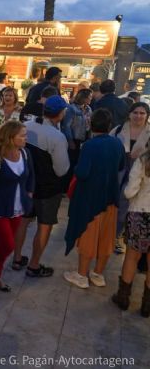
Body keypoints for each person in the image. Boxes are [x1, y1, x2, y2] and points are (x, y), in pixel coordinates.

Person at [63, 109, 125, 289]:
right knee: (107, 237)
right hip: (111, 197)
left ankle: (82, 275)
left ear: (90, 124)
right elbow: (121, 166)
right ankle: (98, 274)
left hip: (91, 199)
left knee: (88, 236)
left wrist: (75, 169)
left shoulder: (89, 145)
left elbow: (82, 172)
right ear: (109, 125)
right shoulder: (118, 143)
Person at [13, 96, 70, 277]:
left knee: (23, 221)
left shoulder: (26, 127)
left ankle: (16, 258)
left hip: (26, 185)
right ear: (60, 114)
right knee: (44, 225)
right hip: (48, 189)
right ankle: (34, 265)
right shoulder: (57, 137)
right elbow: (61, 170)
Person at [0, 121, 34, 296]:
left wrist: (29, 194)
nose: (26, 138)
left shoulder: (25, 154)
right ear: (11, 138)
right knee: (8, 244)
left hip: (18, 209)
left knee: (4, 244)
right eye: (22, 135)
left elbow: (31, 176)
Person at [112, 144, 150, 316]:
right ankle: (147, 305)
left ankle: (123, 298)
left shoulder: (143, 160)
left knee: (132, 256)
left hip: (140, 212)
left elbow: (129, 192)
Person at [111, 102, 150, 254]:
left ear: (147, 116)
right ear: (129, 114)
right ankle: (110, 236)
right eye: (135, 112)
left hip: (140, 177)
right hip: (117, 172)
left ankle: (117, 237)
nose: (138, 116)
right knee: (113, 206)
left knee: (127, 207)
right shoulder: (118, 129)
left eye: (142, 113)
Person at [61, 88, 93, 190]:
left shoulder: (89, 109)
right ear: (83, 97)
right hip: (74, 139)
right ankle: (66, 186)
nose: (91, 99)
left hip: (85, 139)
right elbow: (67, 126)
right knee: (71, 163)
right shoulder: (71, 109)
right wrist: (70, 140)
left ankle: (75, 185)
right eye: (89, 97)